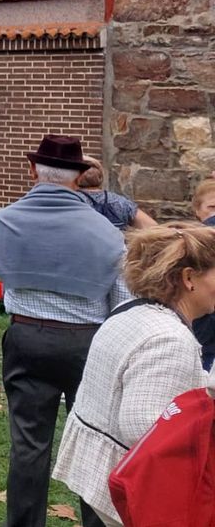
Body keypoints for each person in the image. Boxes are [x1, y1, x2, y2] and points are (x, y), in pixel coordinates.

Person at [0, 134, 128, 527]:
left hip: (27, 337)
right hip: (86, 343)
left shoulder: (4, 221)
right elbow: (121, 298)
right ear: (79, 177)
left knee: (28, 445)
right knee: (94, 441)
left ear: (33, 170)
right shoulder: (106, 233)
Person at [50, 224, 215, 527]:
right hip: (131, 486)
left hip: (97, 467)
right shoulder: (170, 339)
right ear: (189, 278)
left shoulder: (132, 310)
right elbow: (143, 427)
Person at [73, 156, 156, 231]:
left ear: (76, 178)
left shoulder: (71, 200)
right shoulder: (121, 202)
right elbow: (152, 227)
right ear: (101, 178)